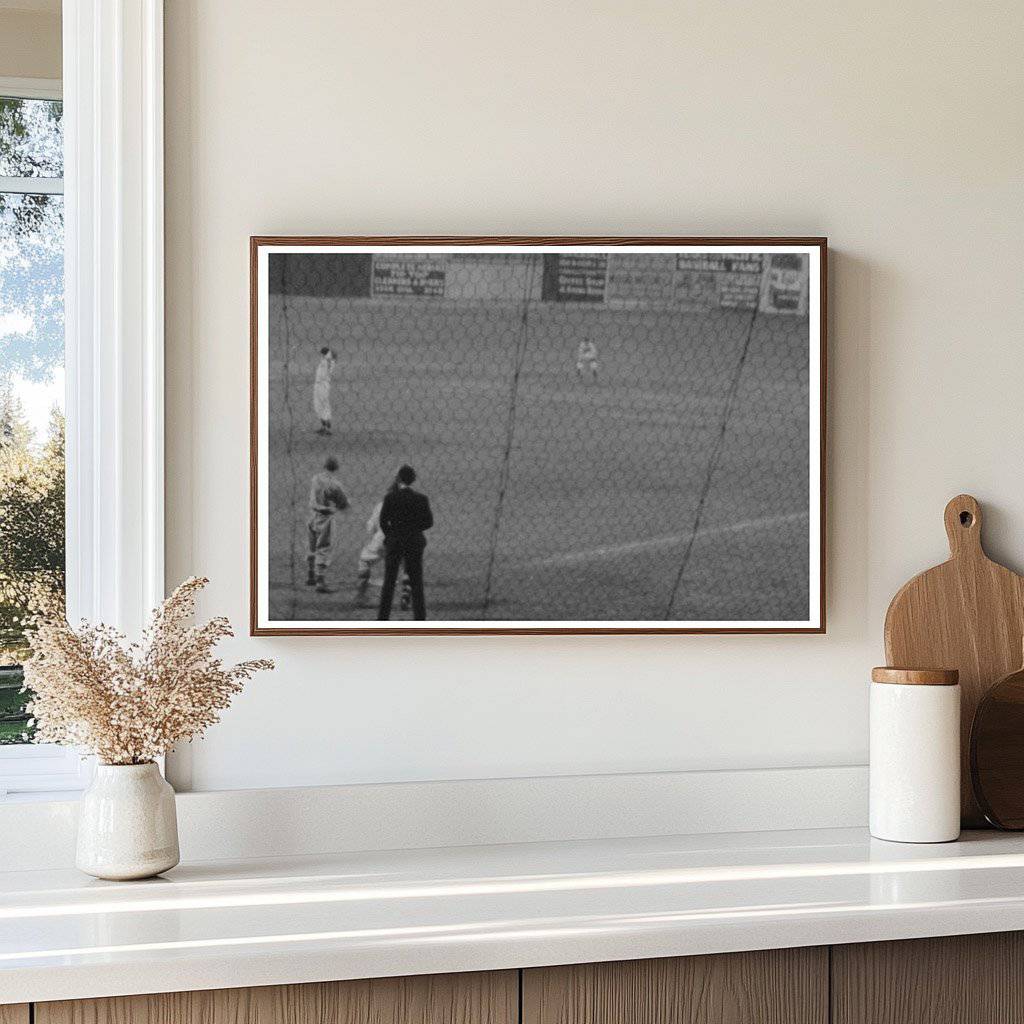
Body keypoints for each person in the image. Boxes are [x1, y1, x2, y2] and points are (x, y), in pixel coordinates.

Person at [377, 464, 433, 621]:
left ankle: (382, 618)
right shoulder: (422, 499)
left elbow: (383, 521)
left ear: (399, 479)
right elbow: (429, 522)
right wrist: (414, 529)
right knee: (416, 582)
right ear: (413, 480)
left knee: (389, 582)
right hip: (414, 542)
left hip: (395, 542)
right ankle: (420, 618)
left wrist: (391, 535)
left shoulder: (390, 498)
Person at [306, 455, 349, 593]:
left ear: (324, 465)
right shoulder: (335, 484)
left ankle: (310, 574)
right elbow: (343, 503)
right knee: (323, 548)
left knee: (311, 546)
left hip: (312, 516)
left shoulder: (315, 478)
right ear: (336, 468)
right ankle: (320, 581)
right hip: (326, 520)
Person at [313, 347, 336, 434]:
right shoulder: (326, 360)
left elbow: (329, 362)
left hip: (323, 385)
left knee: (323, 405)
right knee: (318, 405)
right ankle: (323, 426)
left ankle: (327, 428)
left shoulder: (327, 361)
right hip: (319, 385)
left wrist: (327, 357)